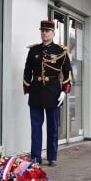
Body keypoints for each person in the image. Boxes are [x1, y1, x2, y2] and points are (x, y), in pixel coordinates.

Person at [23, 20, 72, 166]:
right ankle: (36, 157)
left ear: (53, 33)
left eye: (47, 31)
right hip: (36, 91)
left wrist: (64, 91)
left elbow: (67, 73)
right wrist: (27, 91)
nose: (44, 33)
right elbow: (27, 72)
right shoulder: (33, 51)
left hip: (53, 92)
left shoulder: (60, 51)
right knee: (36, 128)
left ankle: (52, 157)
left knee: (52, 128)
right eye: (42, 31)